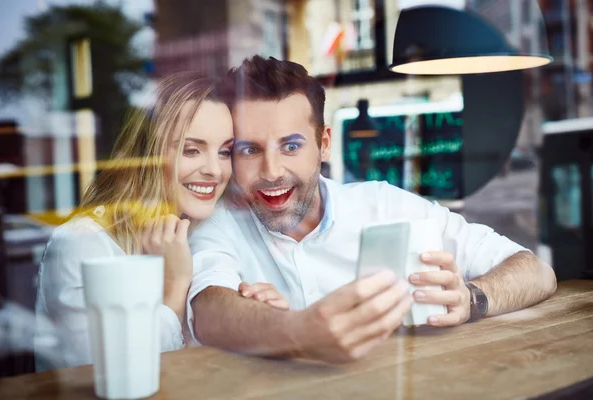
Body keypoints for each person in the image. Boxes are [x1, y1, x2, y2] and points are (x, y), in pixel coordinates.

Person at [186, 56, 557, 364]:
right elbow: (209, 312)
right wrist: (302, 332)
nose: (271, 171)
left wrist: (473, 299)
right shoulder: (220, 222)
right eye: (250, 150)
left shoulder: (383, 205)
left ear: (324, 144)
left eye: (291, 146)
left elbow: (537, 272)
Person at [34, 73, 288, 371]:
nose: (215, 170)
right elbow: (103, 374)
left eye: (223, 152)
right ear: (146, 154)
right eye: (191, 150)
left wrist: (250, 316)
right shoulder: (81, 245)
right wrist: (175, 286)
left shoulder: (208, 229)